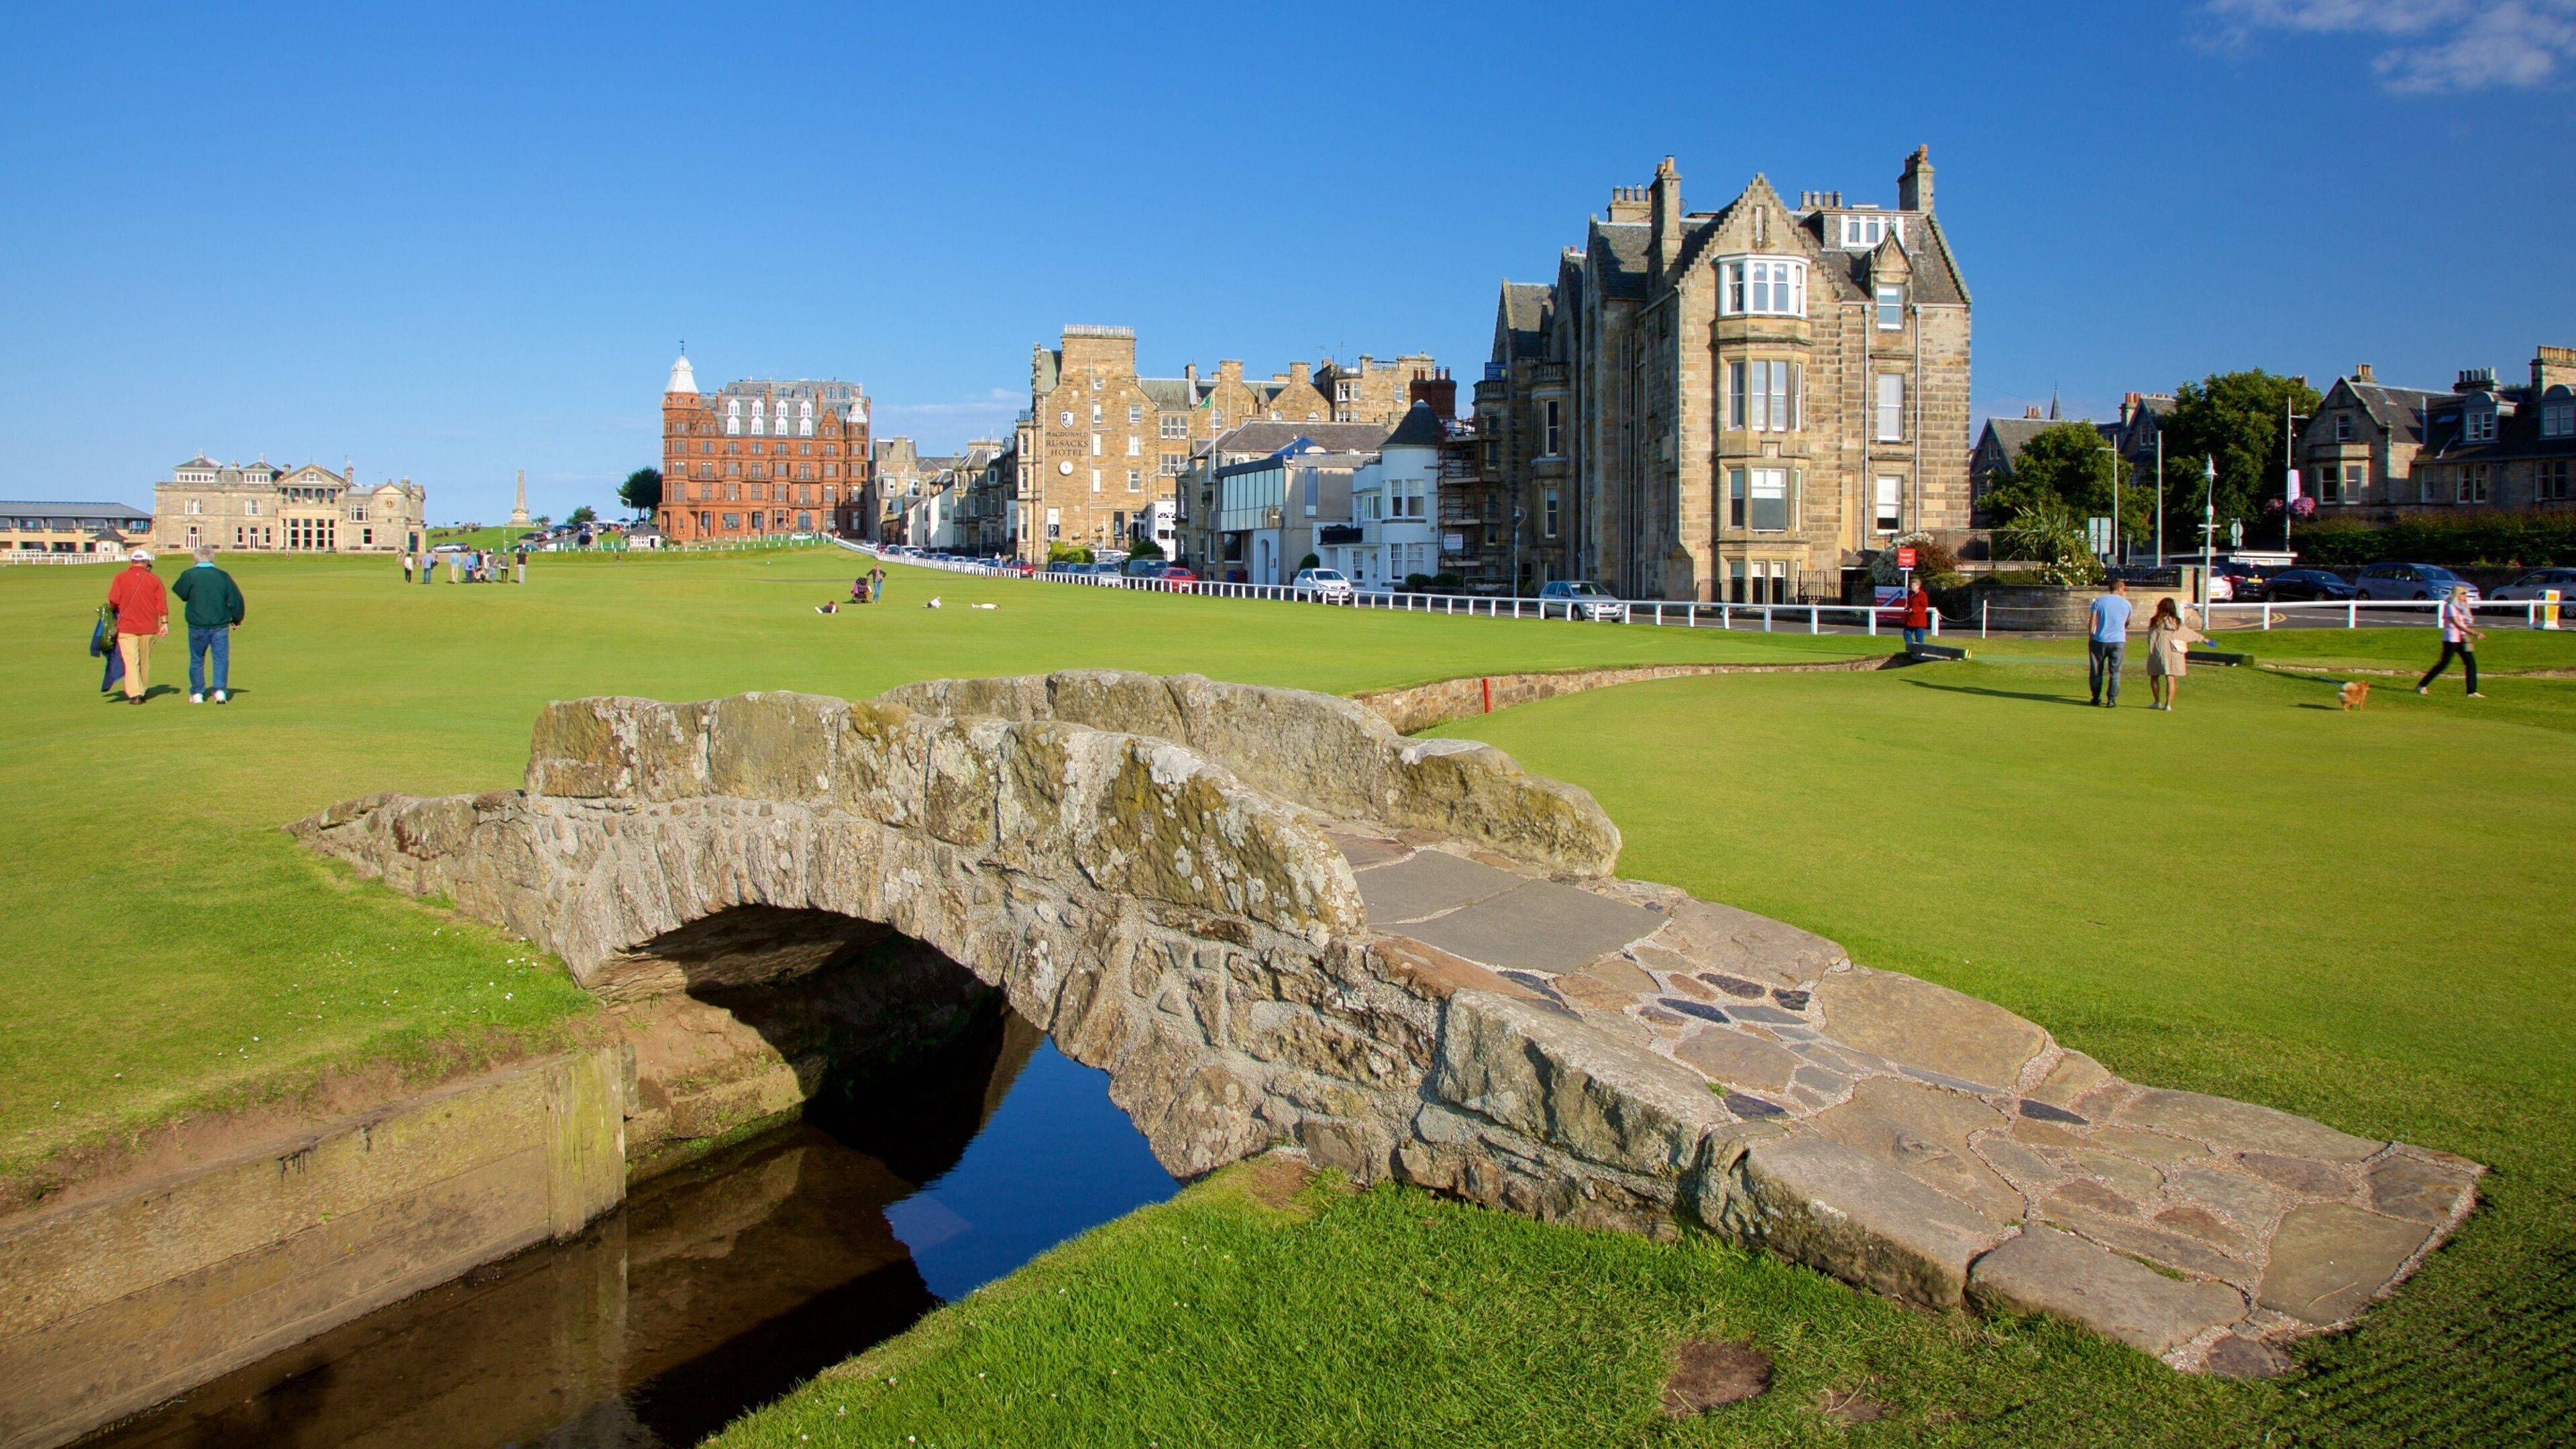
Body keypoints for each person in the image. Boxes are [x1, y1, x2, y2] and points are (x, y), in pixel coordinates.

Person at [171, 546, 246, 704]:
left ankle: (197, 692)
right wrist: (237, 618)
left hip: (197, 624)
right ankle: (219, 691)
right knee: (220, 658)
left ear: (195, 557)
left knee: (197, 659)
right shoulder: (223, 576)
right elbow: (236, 599)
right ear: (213, 558)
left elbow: (182, 594)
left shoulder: (189, 575)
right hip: (220, 624)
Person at [104, 549, 168, 706]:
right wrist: (165, 623)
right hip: (148, 626)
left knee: (131, 661)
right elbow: (161, 603)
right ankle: (143, 689)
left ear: (132, 562)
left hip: (126, 626)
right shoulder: (154, 580)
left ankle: (135, 694)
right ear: (147, 563)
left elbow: (113, 600)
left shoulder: (121, 577)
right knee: (144, 661)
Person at [2417, 585, 2486, 697]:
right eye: (2464, 593)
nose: (2466, 596)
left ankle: (2472, 691)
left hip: (2462, 638)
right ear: (2458, 594)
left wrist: (2466, 608)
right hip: (2451, 639)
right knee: (2443, 664)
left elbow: (2468, 621)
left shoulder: (2462, 606)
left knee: (2471, 664)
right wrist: (2475, 633)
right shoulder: (2450, 606)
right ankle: (2422, 685)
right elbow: (2457, 624)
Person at [2143, 596, 2205, 712]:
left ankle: (2157, 701)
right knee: (2171, 677)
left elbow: (2152, 637)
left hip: (2159, 650)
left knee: (2154, 676)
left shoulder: (2156, 621)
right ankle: (2168, 704)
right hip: (2173, 651)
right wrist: (2202, 639)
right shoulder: (2177, 622)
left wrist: (2151, 650)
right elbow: (2188, 633)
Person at [2087, 578, 2133, 707]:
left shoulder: (2099, 601)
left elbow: (2093, 621)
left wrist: (2091, 636)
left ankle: (2096, 697)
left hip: (2100, 639)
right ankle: (2112, 699)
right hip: (2118, 640)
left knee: (2096, 670)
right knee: (2115, 672)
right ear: (2119, 588)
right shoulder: (2126, 604)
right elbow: (2127, 621)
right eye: (2123, 588)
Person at [1899, 578, 1932, 651]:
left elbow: (1924, 607)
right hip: (1910, 620)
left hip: (1919, 620)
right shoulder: (1910, 594)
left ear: (1918, 586)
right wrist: (1907, 607)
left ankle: (1919, 652)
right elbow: (1909, 604)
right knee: (1906, 634)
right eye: (1912, 585)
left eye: (1914, 585)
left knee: (1919, 639)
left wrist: (1914, 610)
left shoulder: (1922, 595)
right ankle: (1911, 649)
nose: (1912, 586)